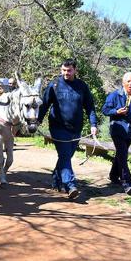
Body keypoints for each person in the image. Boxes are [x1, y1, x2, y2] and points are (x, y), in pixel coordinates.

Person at [37, 59, 98, 199]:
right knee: (65, 155)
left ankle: (56, 179)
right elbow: (45, 104)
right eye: (63, 70)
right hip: (58, 127)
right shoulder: (54, 85)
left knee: (66, 156)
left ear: (75, 70)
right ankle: (70, 185)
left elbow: (90, 107)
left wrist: (93, 124)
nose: (66, 73)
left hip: (76, 128)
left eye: (69, 70)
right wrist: (38, 120)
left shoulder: (82, 86)